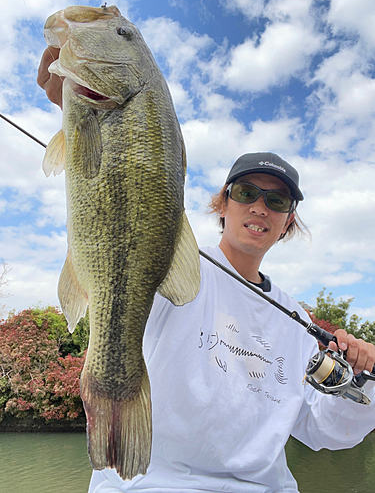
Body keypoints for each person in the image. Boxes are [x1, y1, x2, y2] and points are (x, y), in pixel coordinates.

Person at [38, 48, 375, 493]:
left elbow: (321, 431)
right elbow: (120, 212)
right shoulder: (170, 264)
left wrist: (363, 381)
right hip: (149, 484)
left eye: (277, 201)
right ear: (223, 203)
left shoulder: (297, 322)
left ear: (288, 221)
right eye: (246, 191)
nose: (260, 206)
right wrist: (83, 112)